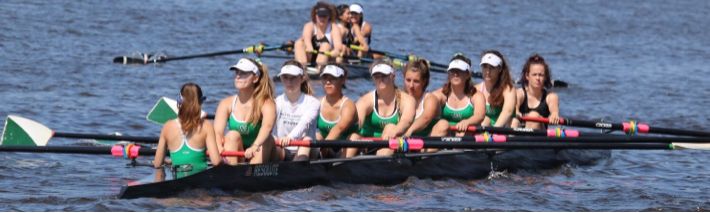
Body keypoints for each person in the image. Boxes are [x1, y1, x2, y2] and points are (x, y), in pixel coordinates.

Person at [214, 58, 278, 165]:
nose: (238, 76)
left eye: (243, 73)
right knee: (232, 135)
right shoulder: (226, 103)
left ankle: (250, 174)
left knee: (267, 139)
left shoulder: (267, 104)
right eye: (237, 72)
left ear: (255, 78)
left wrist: (255, 146)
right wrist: (218, 147)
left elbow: (267, 127)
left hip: (261, 148)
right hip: (239, 151)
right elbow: (217, 132)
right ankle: (231, 173)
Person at [347, 60, 416, 157]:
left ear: (393, 76)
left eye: (384, 76)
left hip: (392, 144)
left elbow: (406, 121)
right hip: (367, 145)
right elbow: (357, 122)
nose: (380, 79)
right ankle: (341, 165)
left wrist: (395, 130)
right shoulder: (366, 101)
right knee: (353, 137)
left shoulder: (407, 100)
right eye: (377, 76)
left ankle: (379, 162)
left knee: (390, 127)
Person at [153, 83, 221, 178]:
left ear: (179, 102)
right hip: (200, 183)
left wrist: (171, 160)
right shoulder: (206, 126)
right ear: (201, 102)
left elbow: (157, 164)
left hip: (177, 183)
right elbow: (216, 161)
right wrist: (225, 161)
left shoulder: (167, 126)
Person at [429, 55, 485, 147]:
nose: (455, 74)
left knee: (464, 132)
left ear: (467, 74)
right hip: (445, 135)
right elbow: (427, 108)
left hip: (467, 137)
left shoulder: (476, 96)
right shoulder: (440, 94)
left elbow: (479, 116)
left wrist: (467, 122)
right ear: (449, 74)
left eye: (459, 71)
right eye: (452, 71)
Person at [273, 60, 321, 161]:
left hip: (306, 149)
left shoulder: (313, 103)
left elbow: (303, 124)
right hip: (282, 149)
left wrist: (290, 138)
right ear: (281, 78)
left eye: (293, 78)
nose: (289, 82)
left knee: (306, 140)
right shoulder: (276, 102)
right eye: (285, 77)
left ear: (302, 78)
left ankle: (296, 171)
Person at [316, 63, 359, 158]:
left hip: (346, 148)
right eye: (325, 78)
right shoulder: (317, 103)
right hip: (326, 148)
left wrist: (323, 145)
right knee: (316, 136)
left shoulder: (348, 105)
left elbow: (339, 128)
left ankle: (342, 165)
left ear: (342, 80)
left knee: (354, 137)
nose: (328, 82)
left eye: (333, 78)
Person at [511, 54, 560, 129]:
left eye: (541, 75)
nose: (538, 78)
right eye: (534, 75)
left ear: (545, 77)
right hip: (519, 133)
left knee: (533, 115)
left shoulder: (551, 97)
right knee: (514, 119)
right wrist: (516, 111)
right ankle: (511, 139)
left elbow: (554, 111)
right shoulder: (519, 93)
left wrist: (554, 115)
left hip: (540, 136)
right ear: (527, 76)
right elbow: (515, 107)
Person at [293, 2, 343, 69]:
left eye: (324, 16)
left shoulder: (334, 28)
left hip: (328, 59)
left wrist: (336, 51)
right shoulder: (309, 26)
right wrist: (309, 46)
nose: (322, 18)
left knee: (325, 45)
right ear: (315, 15)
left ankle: (319, 70)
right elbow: (307, 39)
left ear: (329, 16)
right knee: (299, 43)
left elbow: (338, 47)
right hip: (310, 58)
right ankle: (301, 69)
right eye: (320, 16)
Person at [475, 50, 517, 127]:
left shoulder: (508, 89)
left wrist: (493, 132)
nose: (487, 71)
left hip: (500, 131)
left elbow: (508, 111)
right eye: (485, 67)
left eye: (492, 68)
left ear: (500, 69)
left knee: (514, 121)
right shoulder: (476, 89)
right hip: (483, 131)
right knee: (485, 120)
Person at [402, 59, 439, 137]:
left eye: (416, 81)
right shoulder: (399, 97)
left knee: (443, 124)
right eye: (408, 80)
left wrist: (409, 131)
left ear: (424, 82)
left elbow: (426, 118)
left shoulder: (430, 99)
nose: (411, 86)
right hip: (404, 143)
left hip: (427, 144)